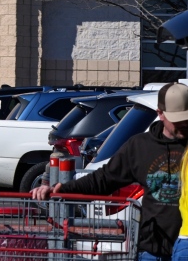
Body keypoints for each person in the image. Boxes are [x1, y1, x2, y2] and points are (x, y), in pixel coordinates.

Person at [32, 82, 188, 261]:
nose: (184, 123)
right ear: (160, 113)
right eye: (177, 119)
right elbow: (104, 179)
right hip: (152, 249)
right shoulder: (140, 146)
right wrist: (60, 190)